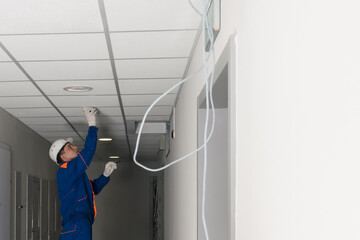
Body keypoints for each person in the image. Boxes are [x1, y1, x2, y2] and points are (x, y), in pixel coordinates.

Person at [49, 106, 117, 240]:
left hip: (78, 224)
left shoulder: (73, 174)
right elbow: (88, 152)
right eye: (70, 147)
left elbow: (92, 189)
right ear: (63, 157)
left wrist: (105, 175)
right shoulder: (66, 171)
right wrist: (92, 125)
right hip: (77, 223)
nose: (75, 147)